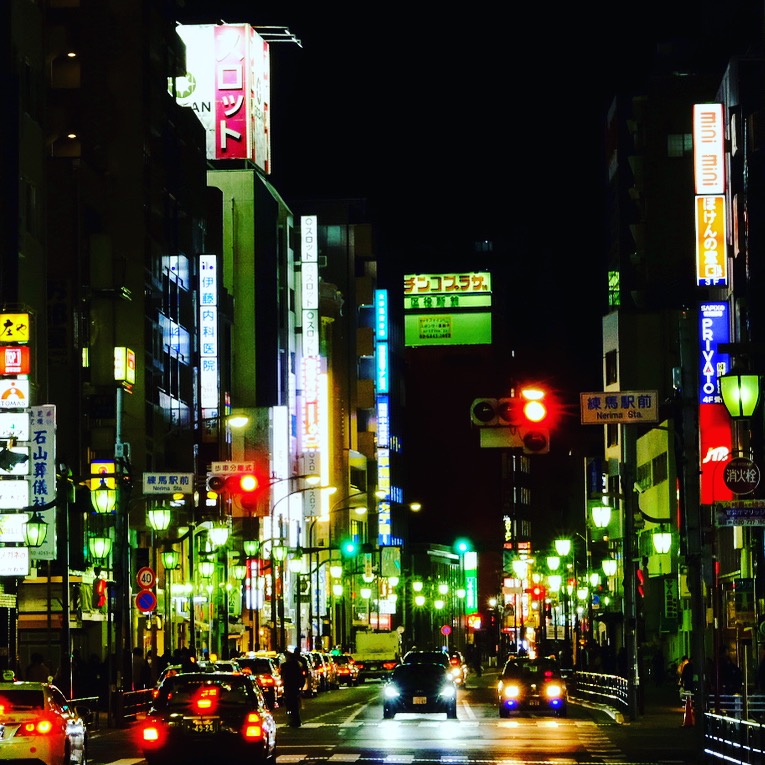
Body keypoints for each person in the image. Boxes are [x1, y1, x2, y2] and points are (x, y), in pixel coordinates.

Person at [280, 649, 307, 727]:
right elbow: (301, 676)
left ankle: (293, 720)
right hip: (294, 687)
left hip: (289, 687)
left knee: (290, 704)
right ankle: (295, 720)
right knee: (294, 704)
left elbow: (283, 677)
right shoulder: (297, 664)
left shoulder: (286, 666)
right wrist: (300, 686)